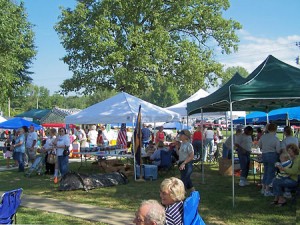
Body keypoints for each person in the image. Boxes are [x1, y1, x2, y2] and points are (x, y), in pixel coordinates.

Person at [258, 123, 281, 196]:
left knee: (266, 171)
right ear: (275, 129)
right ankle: (267, 190)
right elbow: (278, 150)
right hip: (272, 155)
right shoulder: (275, 138)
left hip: (264, 155)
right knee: (271, 173)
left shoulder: (263, 137)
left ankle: (263, 188)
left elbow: (259, 145)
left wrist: (264, 149)